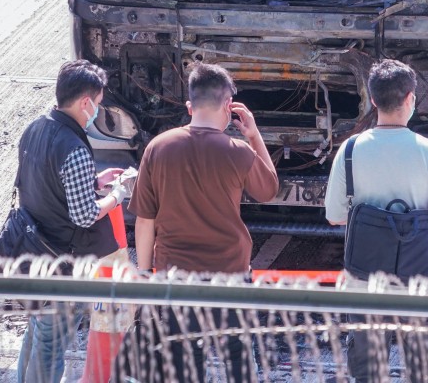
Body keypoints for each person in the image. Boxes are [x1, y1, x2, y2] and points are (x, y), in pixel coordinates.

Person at [116, 62, 278, 382]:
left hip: (176, 277)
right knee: (238, 356)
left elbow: (145, 221)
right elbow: (269, 190)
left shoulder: (158, 147)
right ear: (228, 106)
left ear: (190, 107)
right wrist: (254, 134)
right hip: (230, 274)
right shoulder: (238, 151)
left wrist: (147, 274)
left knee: (184, 360)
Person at [324, 59, 428, 383]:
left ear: (372, 100)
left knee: (367, 368)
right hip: (422, 278)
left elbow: (334, 216)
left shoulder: (350, 150)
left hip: (365, 277)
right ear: (410, 98)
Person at [15, 60, 133, 383]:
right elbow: (83, 216)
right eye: (97, 104)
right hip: (61, 264)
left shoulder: (35, 128)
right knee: (51, 345)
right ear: (85, 102)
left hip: (32, 252)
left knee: (36, 332)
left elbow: (49, 182)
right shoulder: (75, 148)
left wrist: (94, 181)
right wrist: (116, 195)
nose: (98, 111)